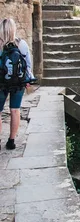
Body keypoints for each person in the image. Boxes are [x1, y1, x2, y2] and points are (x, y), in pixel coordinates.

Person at [0, 18, 33, 150]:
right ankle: (11, 140)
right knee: (15, 110)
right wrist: (28, 80)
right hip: (18, 83)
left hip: (1, 83)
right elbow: (28, 65)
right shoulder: (22, 44)